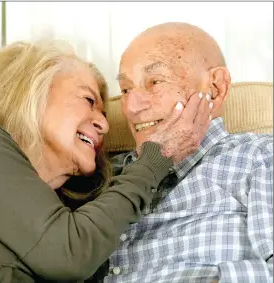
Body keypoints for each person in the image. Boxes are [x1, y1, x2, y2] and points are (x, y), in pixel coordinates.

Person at [0, 40, 212, 283]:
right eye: (88, 100)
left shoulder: (68, 209)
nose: (103, 124)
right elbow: (67, 253)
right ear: (32, 91)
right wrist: (155, 158)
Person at [104, 22, 273, 283]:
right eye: (126, 89)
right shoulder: (103, 174)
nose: (131, 108)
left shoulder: (262, 158)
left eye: (155, 82)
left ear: (216, 88)